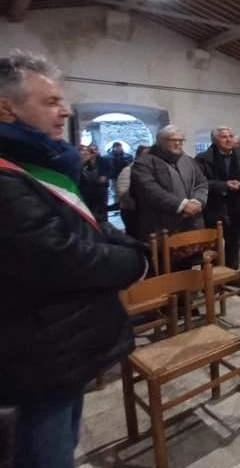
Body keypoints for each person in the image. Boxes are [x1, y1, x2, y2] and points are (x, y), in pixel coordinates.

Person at [0, 50, 148, 468]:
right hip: (39, 343)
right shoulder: (8, 177)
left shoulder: (41, 163)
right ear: (5, 108)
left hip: (64, 338)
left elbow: (92, 224)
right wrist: (135, 262)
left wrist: (130, 246)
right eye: (50, 101)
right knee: (47, 443)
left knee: (61, 432)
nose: (64, 110)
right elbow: (61, 255)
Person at [131, 124, 208, 241]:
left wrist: (197, 201)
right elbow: (150, 190)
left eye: (181, 140)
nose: (178, 144)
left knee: (195, 258)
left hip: (193, 222)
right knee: (166, 259)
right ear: (160, 141)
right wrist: (182, 205)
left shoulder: (189, 161)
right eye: (173, 140)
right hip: (162, 225)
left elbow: (201, 183)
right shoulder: (144, 163)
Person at [196, 126, 240, 269]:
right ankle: (212, 278)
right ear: (214, 140)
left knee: (234, 242)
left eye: (230, 136)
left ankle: (231, 272)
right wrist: (224, 185)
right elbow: (200, 182)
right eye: (224, 137)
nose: (228, 139)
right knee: (213, 245)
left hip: (236, 205)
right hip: (214, 206)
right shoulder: (203, 158)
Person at [116, 145, 148, 238]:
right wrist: (136, 204)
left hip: (144, 212)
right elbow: (122, 192)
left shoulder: (150, 170)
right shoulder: (128, 170)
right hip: (131, 211)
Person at [79, 144, 111, 223]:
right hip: (87, 190)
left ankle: (103, 226)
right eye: (90, 151)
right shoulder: (84, 162)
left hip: (101, 189)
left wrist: (105, 177)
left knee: (102, 209)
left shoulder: (104, 160)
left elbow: (110, 171)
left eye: (94, 150)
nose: (93, 153)